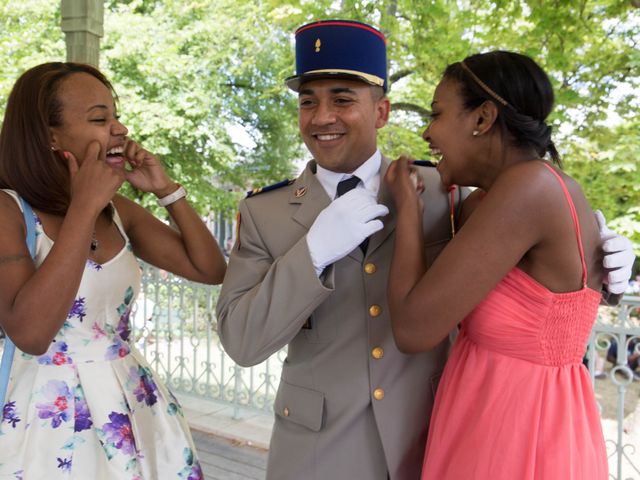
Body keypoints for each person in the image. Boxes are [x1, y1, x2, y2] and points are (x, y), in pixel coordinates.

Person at [216, 21, 634, 480]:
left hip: (438, 438)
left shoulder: (447, 191)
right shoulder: (264, 212)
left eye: (342, 99)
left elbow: (532, 273)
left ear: (381, 111)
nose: (321, 117)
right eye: (307, 102)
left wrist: (605, 265)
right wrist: (312, 252)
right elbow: (241, 341)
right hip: (319, 455)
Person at [385, 51, 611, 478]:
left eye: (437, 114)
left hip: (519, 430)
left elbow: (414, 330)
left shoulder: (529, 188)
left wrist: (407, 212)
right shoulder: (487, 201)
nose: (427, 131)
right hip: (478, 411)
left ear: (483, 118)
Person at [0, 62, 226, 478]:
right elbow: (30, 334)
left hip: (130, 399)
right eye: (101, 119)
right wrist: (83, 206)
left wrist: (166, 189)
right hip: (49, 413)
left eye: (116, 116)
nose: (119, 129)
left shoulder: (118, 211)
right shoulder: (9, 212)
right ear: (50, 136)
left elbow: (210, 269)